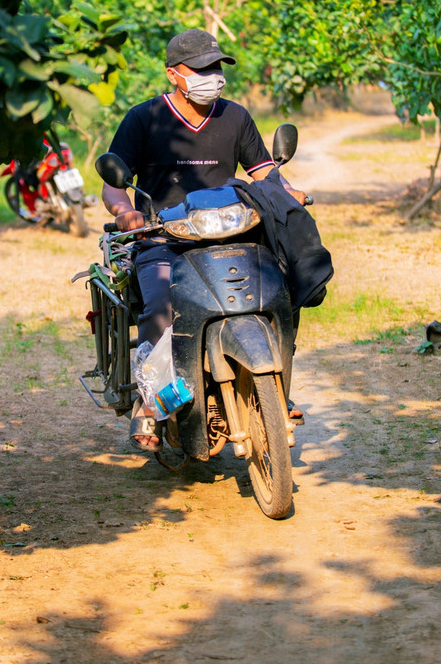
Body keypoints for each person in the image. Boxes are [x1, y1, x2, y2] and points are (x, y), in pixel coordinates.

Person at [101, 29, 306, 452]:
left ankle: (276, 387)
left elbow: (263, 171)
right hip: (163, 238)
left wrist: (288, 190)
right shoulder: (144, 118)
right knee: (161, 305)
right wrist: (124, 211)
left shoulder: (236, 117)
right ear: (173, 74)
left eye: (216, 67)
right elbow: (113, 185)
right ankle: (152, 399)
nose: (211, 76)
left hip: (231, 233)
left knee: (283, 288)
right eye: (200, 68)